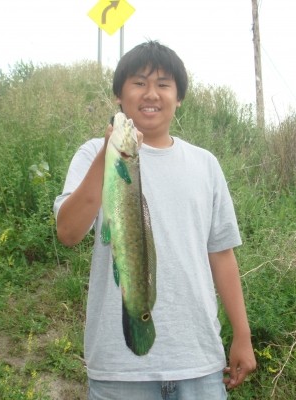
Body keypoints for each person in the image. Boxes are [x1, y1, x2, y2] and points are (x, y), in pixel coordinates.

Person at [54, 40, 256, 400]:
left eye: (163, 85)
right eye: (138, 82)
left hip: (200, 366)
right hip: (119, 372)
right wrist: (109, 152)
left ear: (178, 98)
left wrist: (242, 334)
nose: (151, 94)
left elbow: (221, 254)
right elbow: (68, 232)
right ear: (119, 95)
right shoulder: (91, 155)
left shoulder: (205, 165)